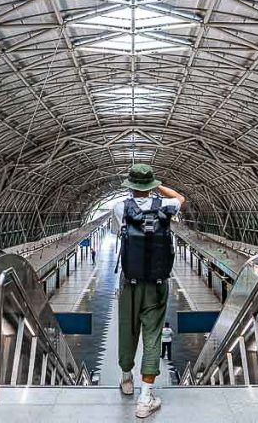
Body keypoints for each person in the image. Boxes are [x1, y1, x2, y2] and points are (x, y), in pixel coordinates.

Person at [113, 164, 185, 419]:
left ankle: (126, 378)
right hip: (156, 286)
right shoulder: (167, 207)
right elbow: (180, 198)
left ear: (131, 186)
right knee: (152, 338)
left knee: (127, 330)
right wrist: (158, 187)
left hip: (129, 283)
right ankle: (146, 399)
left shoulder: (121, 207)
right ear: (150, 185)